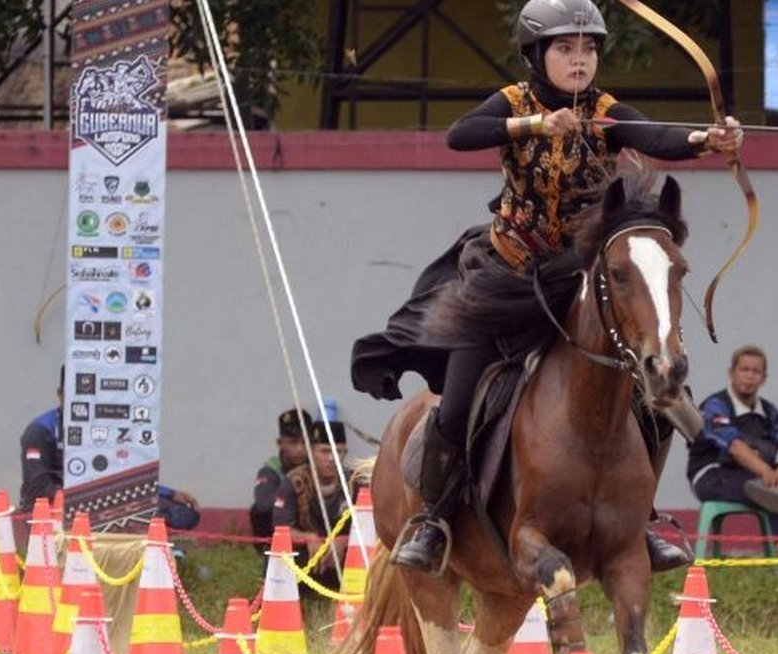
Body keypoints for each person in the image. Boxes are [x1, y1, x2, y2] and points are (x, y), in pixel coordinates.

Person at [349, 0, 743, 572]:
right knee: (456, 405)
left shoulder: (608, 112)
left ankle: (643, 519)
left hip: (575, 284)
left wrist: (708, 139)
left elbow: (654, 135)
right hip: (505, 277)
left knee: (652, 399)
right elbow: (462, 134)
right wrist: (535, 124)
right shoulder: (512, 103)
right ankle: (432, 519)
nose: (579, 60)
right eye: (565, 48)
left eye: (588, 49)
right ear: (537, 55)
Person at [20, 366, 200, 528]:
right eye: (75, 392)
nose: (81, 399)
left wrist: (168, 493)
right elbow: (38, 488)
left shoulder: (100, 429)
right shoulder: (40, 430)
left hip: (98, 502)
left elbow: (122, 477)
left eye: (87, 393)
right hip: (50, 507)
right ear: (60, 395)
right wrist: (87, 497)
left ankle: (160, 552)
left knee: (183, 513)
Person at [686, 345, 778, 557]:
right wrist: (768, 472)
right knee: (772, 488)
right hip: (714, 475)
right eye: (744, 370)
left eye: (755, 372)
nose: (749, 376)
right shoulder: (715, 406)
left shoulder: (767, 410)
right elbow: (735, 447)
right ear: (732, 373)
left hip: (756, 475)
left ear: (763, 378)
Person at [273, 419, 351, 587]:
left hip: (344, 556)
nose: (331, 458)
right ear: (311, 452)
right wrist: (307, 538)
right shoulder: (293, 481)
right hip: (306, 555)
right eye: (325, 451)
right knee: (281, 558)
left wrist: (343, 541)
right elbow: (280, 528)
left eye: (338, 451)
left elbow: (373, 529)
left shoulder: (355, 483)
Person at [250, 408, 313, 541]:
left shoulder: (316, 467)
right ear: (280, 443)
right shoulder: (271, 470)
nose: (300, 449)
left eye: (305, 442)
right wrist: (293, 490)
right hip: (283, 528)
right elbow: (263, 504)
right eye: (293, 442)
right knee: (257, 511)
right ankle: (269, 553)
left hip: (313, 530)